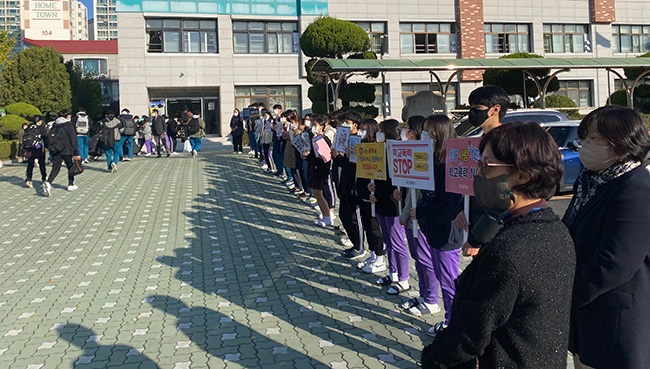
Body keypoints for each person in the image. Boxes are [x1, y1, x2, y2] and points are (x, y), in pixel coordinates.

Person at [421, 121, 575, 369]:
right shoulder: (555, 229)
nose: (478, 173)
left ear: (523, 175)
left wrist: (432, 357)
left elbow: (468, 337)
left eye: (486, 165)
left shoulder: (508, 252)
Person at [562, 106, 650, 369]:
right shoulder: (591, 181)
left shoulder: (634, 189)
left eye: (595, 139)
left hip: (616, 319)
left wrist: (564, 291)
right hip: (587, 318)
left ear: (622, 141)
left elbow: (614, 262)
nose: (586, 145)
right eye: (585, 138)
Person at [414, 115, 463, 327]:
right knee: (443, 279)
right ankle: (449, 320)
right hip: (433, 230)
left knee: (449, 282)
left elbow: (448, 207)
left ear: (439, 134)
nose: (424, 135)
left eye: (428, 131)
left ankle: (453, 323)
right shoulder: (431, 160)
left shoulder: (448, 164)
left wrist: (424, 212)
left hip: (446, 233)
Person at [455, 85, 510, 257]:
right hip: (473, 219)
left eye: (477, 108)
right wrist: (460, 209)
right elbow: (462, 180)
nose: (472, 113)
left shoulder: (506, 143)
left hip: (496, 230)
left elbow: (504, 197)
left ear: (495, 109)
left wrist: (479, 238)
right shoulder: (474, 142)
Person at [370, 119, 409, 290]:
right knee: (388, 240)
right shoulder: (380, 150)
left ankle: (404, 278)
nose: (379, 133)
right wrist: (372, 189)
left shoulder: (400, 151)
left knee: (397, 241)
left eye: (381, 130)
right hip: (380, 201)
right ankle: (393, 273)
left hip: (394, 203)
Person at [354, 118, 387, 273]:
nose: (361, 131)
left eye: (364, 129)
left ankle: (381, 257)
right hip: (362, 188)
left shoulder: (379, 148)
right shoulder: (361, 146)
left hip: (373, 191)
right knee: (368, 224)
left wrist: (377, 190)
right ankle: (373, 253)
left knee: (375, 227)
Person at [332, 111, 365, 260]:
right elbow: (346, 165)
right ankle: (355, 244)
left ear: (355, 125)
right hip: (345, 182)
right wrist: (338, 157)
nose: (343, 125)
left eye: (347, 122)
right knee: (343, 215)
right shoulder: (345, 139)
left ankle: (360, 247)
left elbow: (354, 166)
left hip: (354, 185)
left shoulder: (358, 141)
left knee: (354, 216)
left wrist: (339, 157)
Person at [44, 109, 81, 196]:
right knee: (70, 167)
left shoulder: (55, 125)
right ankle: (70, 184)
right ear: (68, 116)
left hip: (56, 150)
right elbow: (73, 140)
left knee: (56, 167)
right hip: (67, 149)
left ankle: (49, 182)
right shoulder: (69, 125)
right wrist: (76, 152)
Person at [23, 115, 48, 188]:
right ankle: (44, 178)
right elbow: (45, 137)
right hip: (39, 147)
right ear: (39, 121)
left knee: (30, 164)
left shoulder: (29, 127)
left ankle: (29, 179)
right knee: (42, 163)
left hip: (30, 148)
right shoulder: (41, 128)